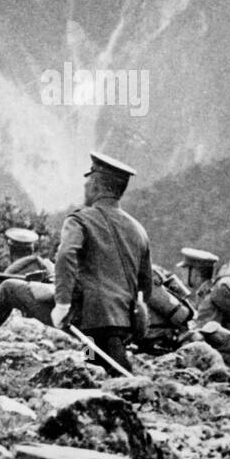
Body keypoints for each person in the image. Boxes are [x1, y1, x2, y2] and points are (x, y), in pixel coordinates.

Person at [50, 152, 152, 373]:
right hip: (123, 322)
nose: (85, 188)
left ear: (96, 186)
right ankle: (112, 380)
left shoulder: (80, 219)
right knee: (99, 361)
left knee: (11, 290)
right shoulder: (139, 230)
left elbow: (66, 254)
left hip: (90, 318)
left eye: (88, 182)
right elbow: (146, 286)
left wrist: (62, 303)